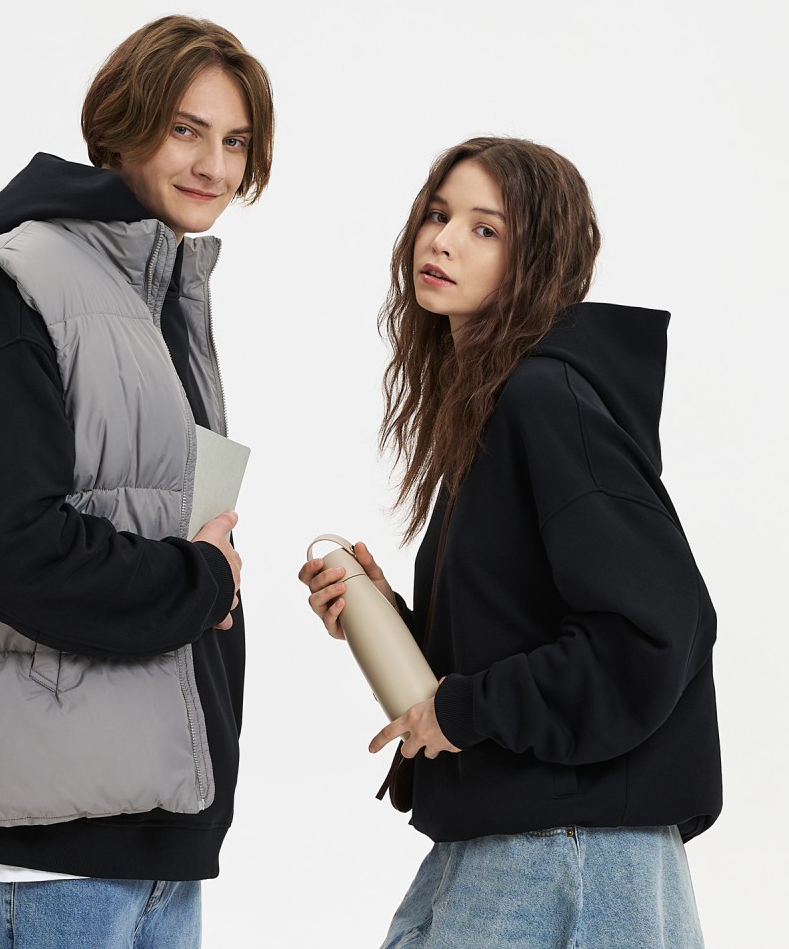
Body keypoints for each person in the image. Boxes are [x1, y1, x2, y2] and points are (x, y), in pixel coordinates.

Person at [0, 15, 274, 949]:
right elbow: (20, 549)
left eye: (236, 141)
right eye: (186, 129)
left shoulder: (159, 296)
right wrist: (201, 578)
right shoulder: (27, 283)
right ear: (122, 124)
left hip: (156, 825)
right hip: (55, 846)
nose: (213, 164)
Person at [298, 137, 720, 948]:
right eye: (438, 214)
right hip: (529, 839)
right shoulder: (494, 408)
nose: (443, 240)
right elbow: (522, 639)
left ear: (540, 260)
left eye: (485, 228)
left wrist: (464, 709)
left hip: (569, 850)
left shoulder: (543, 399)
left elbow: (653, 631)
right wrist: (390, 624)